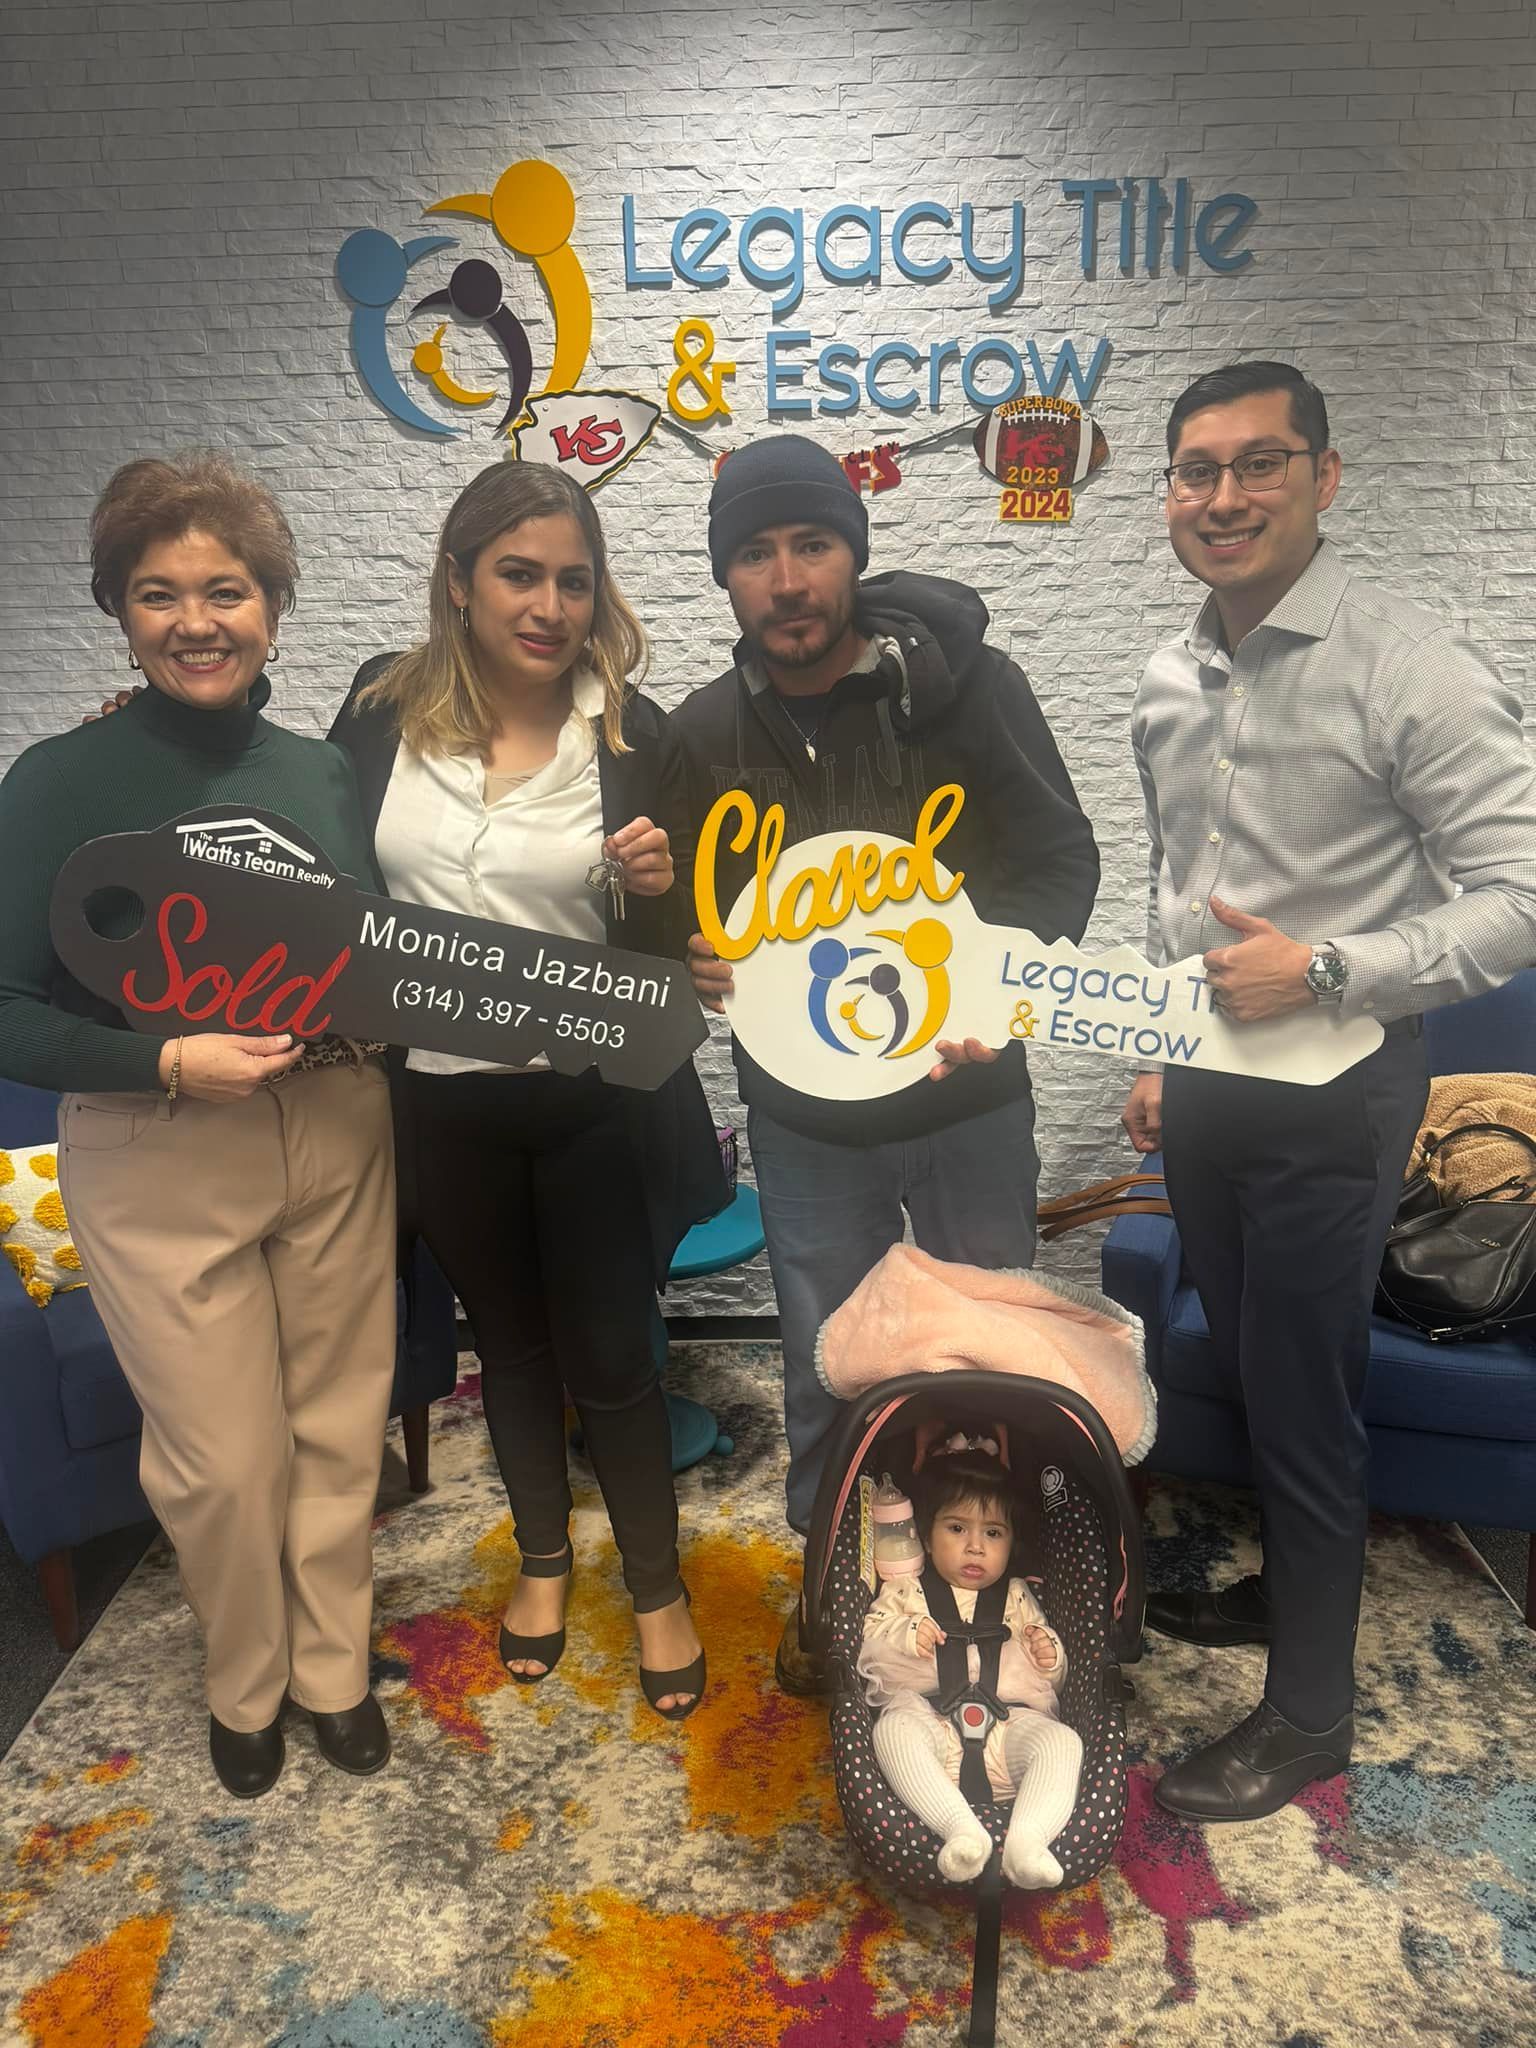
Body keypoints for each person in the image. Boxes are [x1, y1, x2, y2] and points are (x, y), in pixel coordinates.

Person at [1121, 361, 1536, 1820]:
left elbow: (1520, 896)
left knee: (1308, 1398)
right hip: (1214, 1088)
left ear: (1326, 479)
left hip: (1340, 1092)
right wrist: (1161, 1049)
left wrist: (1332, 969)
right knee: (1246, 1361)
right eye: (1196, 471)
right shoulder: (1172, 675)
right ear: (1167, 490)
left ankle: (1310, 1716)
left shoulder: (1408, 666)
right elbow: (1179, 894)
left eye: (1259, 466)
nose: (1223, 498)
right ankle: (1297, 1595)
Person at [660, 434, 1100, 1691]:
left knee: (985, 1352)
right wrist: (686, 950)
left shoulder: (968, 687)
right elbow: (689, 919)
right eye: (755, 553)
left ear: (851, 552)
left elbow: (1061, 863)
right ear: (726, 578)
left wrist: (994, 984)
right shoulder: (697, 733)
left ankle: (998, 1596)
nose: (788, 578)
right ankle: (839, 1585)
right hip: (804, 1118)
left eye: (810, 545)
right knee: (826, 1363)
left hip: (968, 1092)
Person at [0, 453, 398, 1798]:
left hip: (335, 1125)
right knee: (224, 1462)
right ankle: (247, 1682)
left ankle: (334, 1669)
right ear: (119, 611)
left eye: (225, 590)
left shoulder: (323, 773)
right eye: (159, 593)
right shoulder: (56, 783)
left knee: (342, 1426)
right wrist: (164, 1057)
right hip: (157, 1146)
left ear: (272, 608)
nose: (196, 620)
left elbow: (363, 949)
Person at [331, 461, 725, 1720]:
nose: (548, 604)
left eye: (573, 577)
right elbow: (317, 865)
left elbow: (677, 969)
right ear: (458, 582)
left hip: (588, 1104)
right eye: (519, 573)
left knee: (611, 1355)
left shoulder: (633, 731)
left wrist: (657, 894)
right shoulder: (378, 713)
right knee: (503, 1347)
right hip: (440, 1101)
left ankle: (656, 1585)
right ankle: (544, 1562)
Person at [858, 1436, 1081, 1888]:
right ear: (925, 1534)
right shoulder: (906, 1590)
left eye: (993, 1533)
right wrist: (906, 1634)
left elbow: (1051, 1680)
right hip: (930, 1725)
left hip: (1008, 1729)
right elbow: (869, 1646)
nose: (975, 1547)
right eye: (957, 1529)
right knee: (891, 1729)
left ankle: (1027, 1842)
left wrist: (1048, 1652)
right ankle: (959, 1830)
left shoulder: (1017, 1596)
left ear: (1012, 1542)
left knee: (1063, 1742)